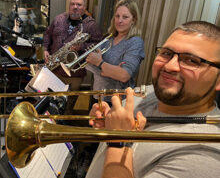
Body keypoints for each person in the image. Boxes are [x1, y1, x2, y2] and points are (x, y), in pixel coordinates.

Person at [86, 21, 220, 178]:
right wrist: (108, 123)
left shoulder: (204, 157)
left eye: (191, 60)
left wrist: (118, 140)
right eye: (166, 53)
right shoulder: (147, 93)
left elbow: (118, 142)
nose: (170, 66)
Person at [43, 0, 102, 114]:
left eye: (79, 4)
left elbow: (98, 45)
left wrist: (81, 47)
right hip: (54, 70)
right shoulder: (59, 19)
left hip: (74, 73)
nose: (75, 7)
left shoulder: (91, 25)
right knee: (51, 102)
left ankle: (65, 124)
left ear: (84, 7)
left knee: (69, 104)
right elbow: (47, 34)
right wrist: (45, 49)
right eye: (72, 4)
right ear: (69, 5)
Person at [85, 0, 145, 105]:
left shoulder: (135, 42)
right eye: (117, 16)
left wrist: (100, 63)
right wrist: (111, 70)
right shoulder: (109, 39)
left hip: (117, 101)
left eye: (125, 17)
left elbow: (124, 75)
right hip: (98, 94)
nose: (119, 20)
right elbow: (91, 65)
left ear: (134, 20)